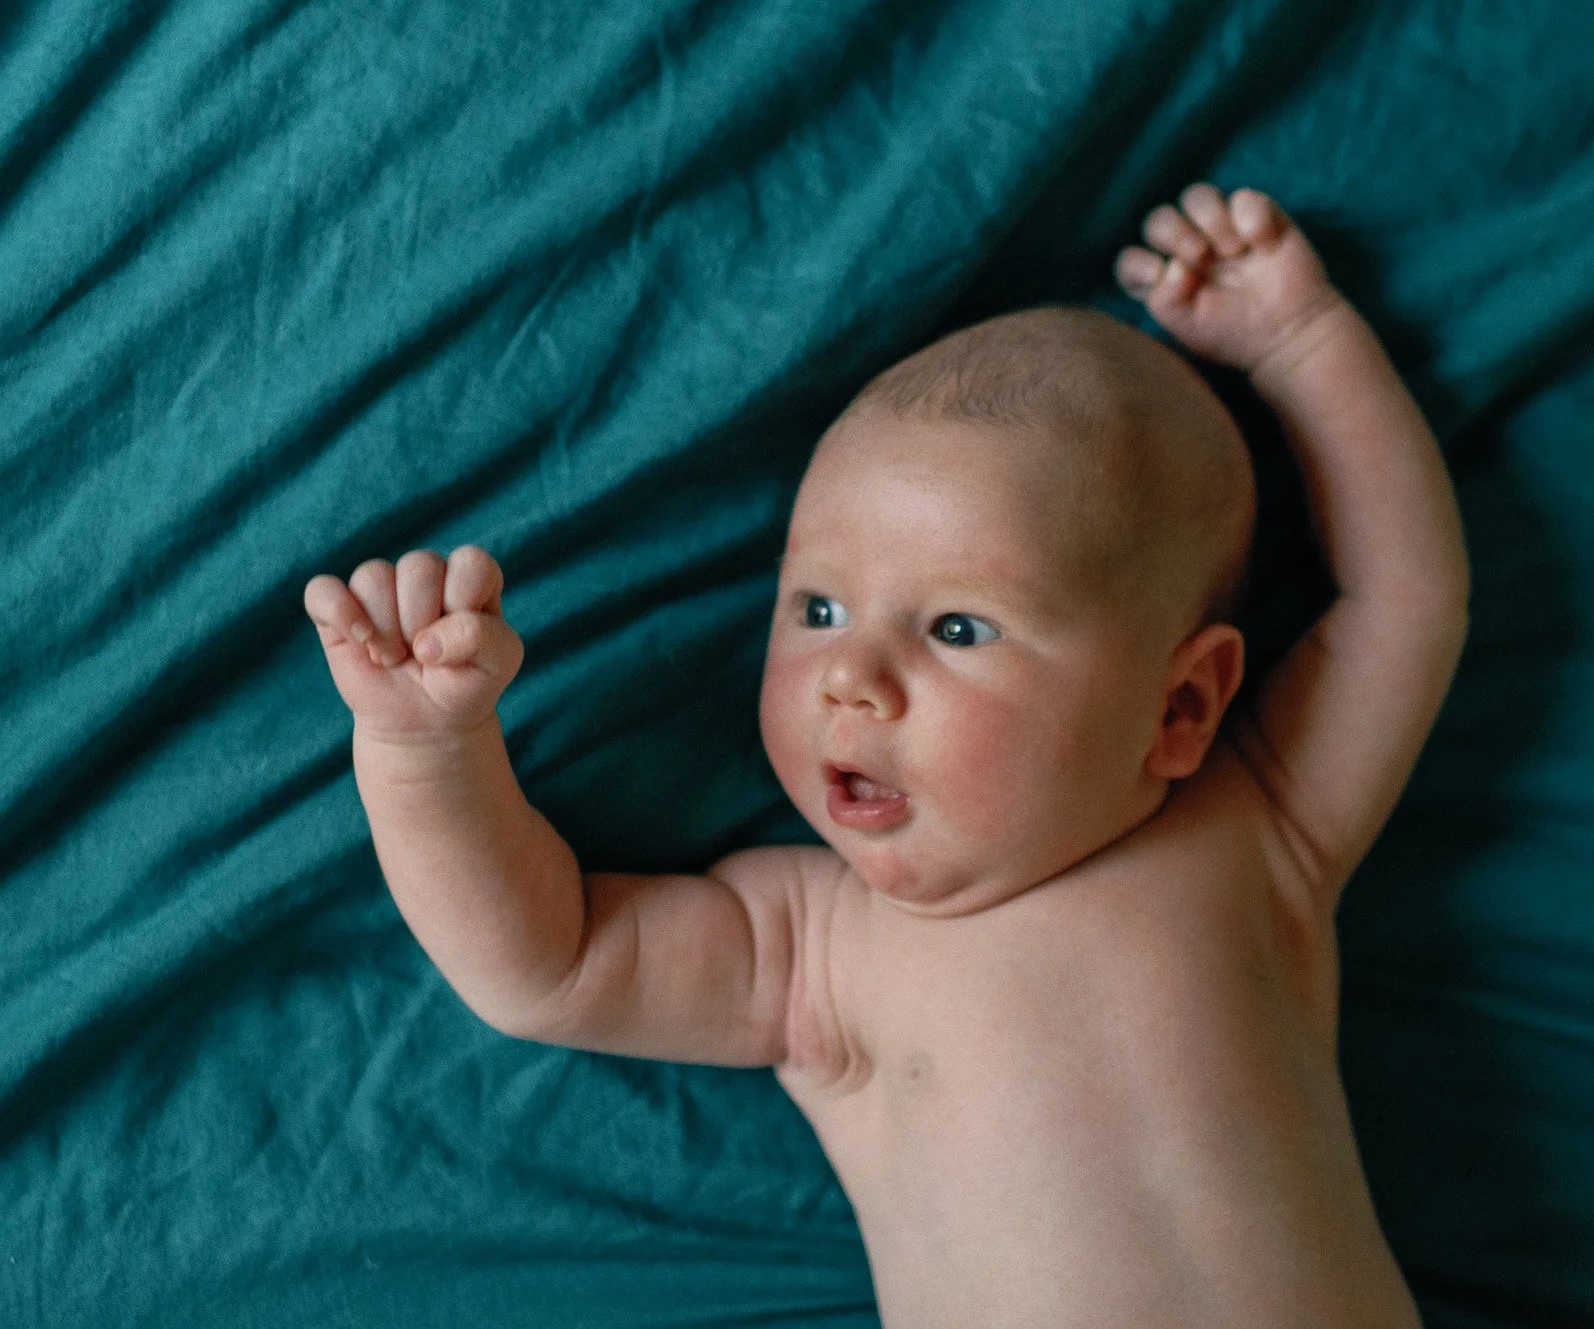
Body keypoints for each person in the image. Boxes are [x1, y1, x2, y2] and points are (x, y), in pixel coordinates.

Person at [304, 183, 1468, 1327]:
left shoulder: (1257, 829)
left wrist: (1301, 342)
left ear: (1179, 706)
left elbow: (1405, 598)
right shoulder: (818, 949)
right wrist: (423, 750)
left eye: (957, 629)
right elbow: (547, 967)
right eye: (815, 609)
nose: (848, 677)